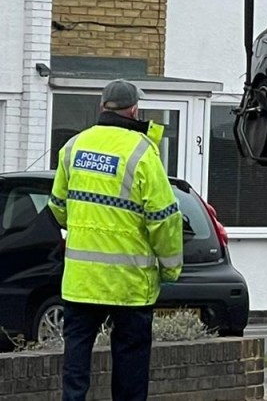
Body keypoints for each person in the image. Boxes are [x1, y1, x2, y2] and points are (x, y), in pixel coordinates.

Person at [48, 79, 184, 401]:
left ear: (101, 106)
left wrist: (82, 227)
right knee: (130, 368)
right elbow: (164, 218)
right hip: (130, 285)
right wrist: (171, 268)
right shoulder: (142, 153)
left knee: (76, 364)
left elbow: (56, 207)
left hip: (81, 282)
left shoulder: (73, 147)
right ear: (135, 109)